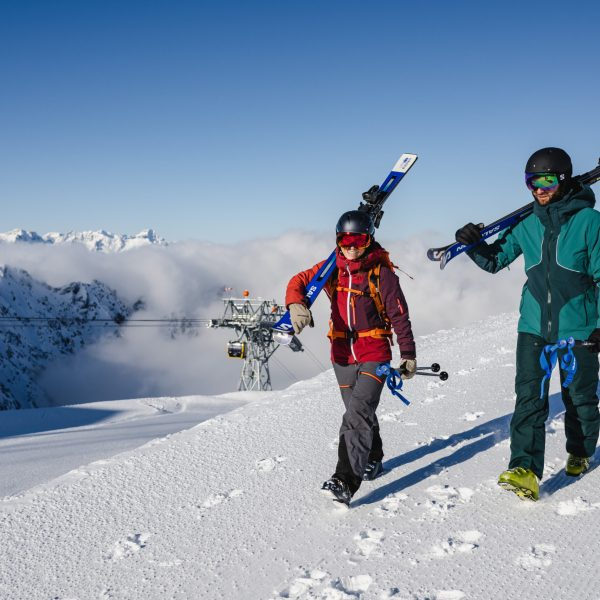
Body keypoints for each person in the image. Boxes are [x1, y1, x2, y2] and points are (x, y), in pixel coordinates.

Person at [455, 147, 600, 501]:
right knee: (529, 401)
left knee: (580, 398)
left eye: (547, 180)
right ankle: (524, 469)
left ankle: (580, 451)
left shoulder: (590, 223)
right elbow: (494, 261)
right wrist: (475, 245)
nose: (539, 188)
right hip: (533, 327)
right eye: (532, 181)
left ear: (564, 179)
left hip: (578, 328)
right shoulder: (527, 224)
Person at [285, 210, 416, 505]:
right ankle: (373, 456)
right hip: (342, 355)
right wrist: (295, 303)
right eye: (345, 239)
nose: (352, 246)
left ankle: (345, 480)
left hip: (375, 352)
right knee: (360, 411)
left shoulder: (381, 274)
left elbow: (399, 315)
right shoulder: (332, 267)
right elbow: (299, 280)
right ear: (337, 240)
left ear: (369, 240)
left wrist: (408, 353)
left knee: (355, 415)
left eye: (358, 239)